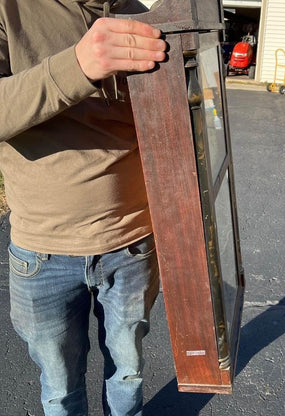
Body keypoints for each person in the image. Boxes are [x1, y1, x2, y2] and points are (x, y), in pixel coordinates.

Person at [0, 0, 166, 415]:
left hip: (132, 244)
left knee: (127, 373)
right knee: (60, 387)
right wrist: (79, 64)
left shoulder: (139, 12)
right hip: (43, 249)